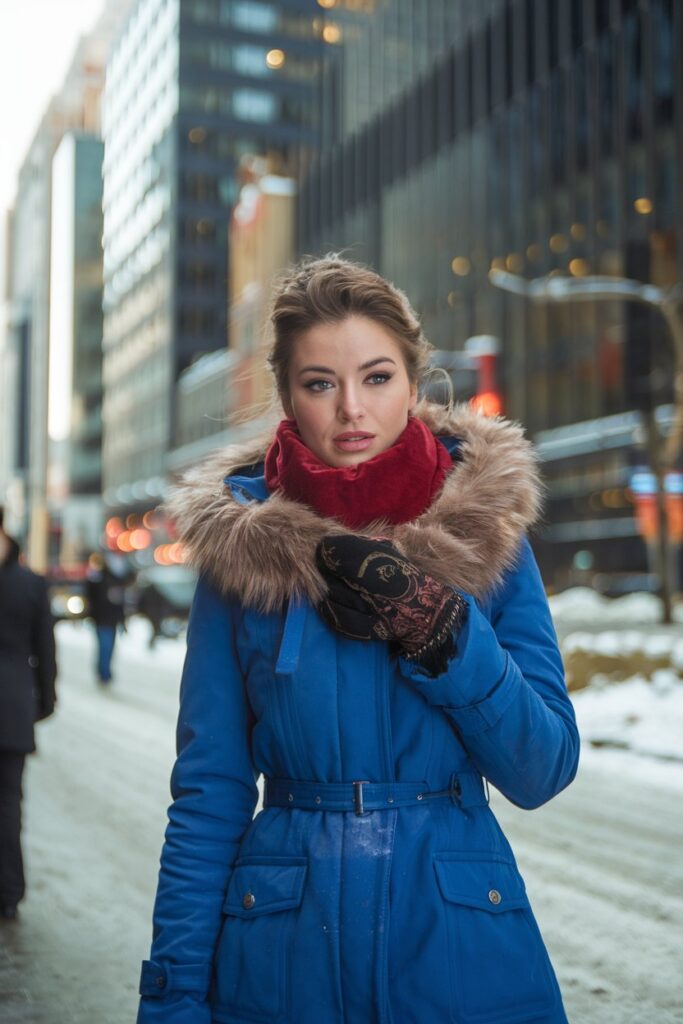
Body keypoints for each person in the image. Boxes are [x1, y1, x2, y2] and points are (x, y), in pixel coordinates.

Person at [137, 255, 579, 1023]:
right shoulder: (242, 556)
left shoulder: (488, 533)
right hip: (281, 947)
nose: (351, 409)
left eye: (376, 378)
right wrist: (172, 997)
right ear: (286, 396)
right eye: (319, 383)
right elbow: (207, 796)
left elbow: (542, 768)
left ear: (413, 383)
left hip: (455, 938)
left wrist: (442, 634)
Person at [0, 507, 56, 920]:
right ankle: (9, 892)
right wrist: (44, 702)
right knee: (8, 806)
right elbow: (45, 651)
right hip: (13, 709)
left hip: (15, 710)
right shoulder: (31, 584)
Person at [85, 551, 130, 683]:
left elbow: (118, 603)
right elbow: (92, 596)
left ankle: (104, 671)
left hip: (109, 619)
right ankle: (104, 672)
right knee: (105, 646)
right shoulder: (99, 578)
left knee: (108, 647)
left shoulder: (114, 581)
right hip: (102, 619)